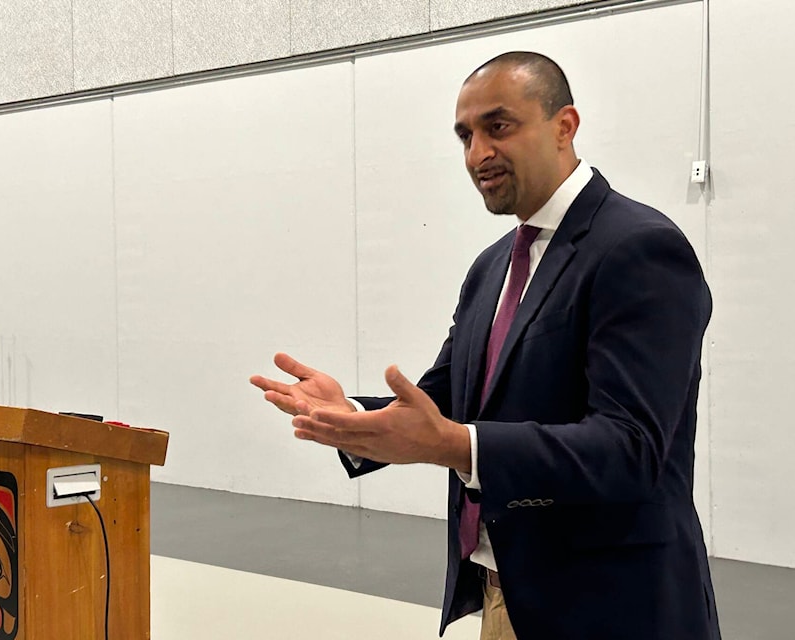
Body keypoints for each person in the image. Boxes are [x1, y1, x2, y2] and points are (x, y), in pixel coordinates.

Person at [250, 51, 720, 640]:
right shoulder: (492, 267)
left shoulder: (640, 249)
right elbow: (444, 402)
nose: (477, 154)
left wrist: (455, 446)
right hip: (507, 595)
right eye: (464, 136)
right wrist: (353, 418)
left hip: (616, 603)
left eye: (498, 127)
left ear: (564, 126)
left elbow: (631, 449)